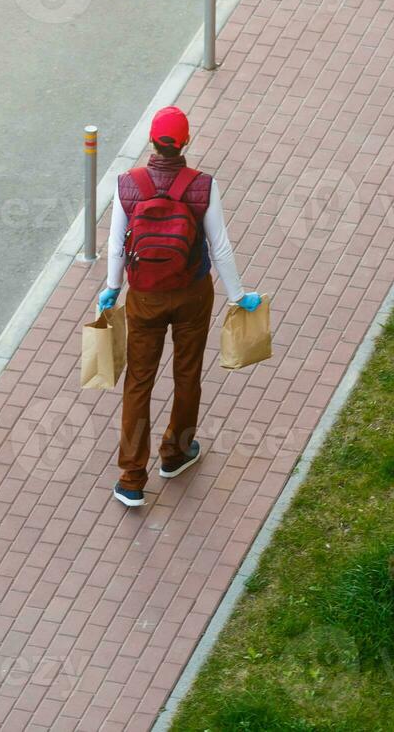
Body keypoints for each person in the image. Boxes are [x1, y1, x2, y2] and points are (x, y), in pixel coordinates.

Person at [99, 106, 261, 508]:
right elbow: (219, 246)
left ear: (152, 142)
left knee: (139, 381)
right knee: (187, 373)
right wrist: (238, 295)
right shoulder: (203, 185)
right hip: (192, 293)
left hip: (144, 297)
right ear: (185, 141)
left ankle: (131, 478)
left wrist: (112, 288)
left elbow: (116, 244)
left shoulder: (128, 184)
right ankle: (175, 454)